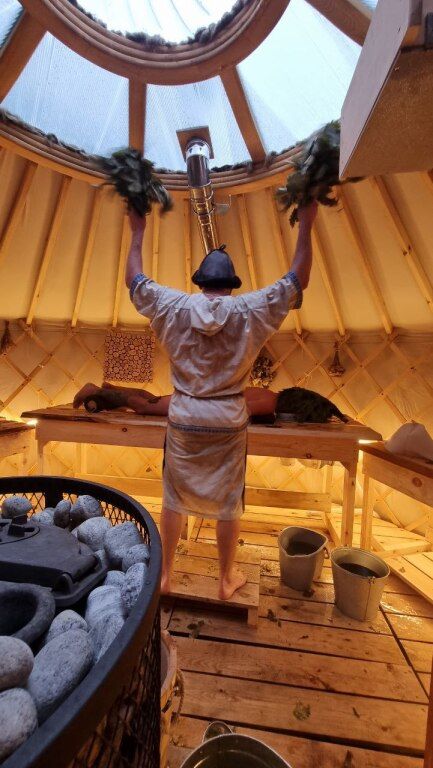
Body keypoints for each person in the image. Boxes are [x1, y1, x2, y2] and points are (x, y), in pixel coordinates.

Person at [86, 201, 316, 599]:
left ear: (200, 282)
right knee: (229, 502)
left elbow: (133, 279)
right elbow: (298, 279)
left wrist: (137, 231)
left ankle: (165, 575)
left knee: (174, 497)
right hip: (227, 418)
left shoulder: (172, 305)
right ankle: (226, 579)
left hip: (185, 414)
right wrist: (307, 224)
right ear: (231, 284)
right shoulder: (250, 309)